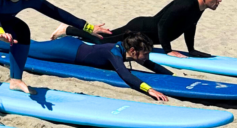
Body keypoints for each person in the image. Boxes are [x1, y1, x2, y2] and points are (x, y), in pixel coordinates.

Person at [53, 0, 222, 57]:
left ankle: (70, 30)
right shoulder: (186, 3)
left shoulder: (199, 7)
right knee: (103, 41)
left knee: (108, 35)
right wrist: (168, 51)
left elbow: (190, 26)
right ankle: (67, 29)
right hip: (140, 29)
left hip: (145, 31)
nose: (219, 0)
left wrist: (191, 50)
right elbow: (162, 25)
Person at [26, 31, 172, 103]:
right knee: (26, 48)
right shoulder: (114, 53)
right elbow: (125, 74)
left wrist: (170, 75)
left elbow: (149, 64)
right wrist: (149, 89)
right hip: (65, 50)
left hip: (73, 45)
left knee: (31, 45)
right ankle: (3, 39)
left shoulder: (126, 48)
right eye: (145, 54)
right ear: (133, 51)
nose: (146, 57)